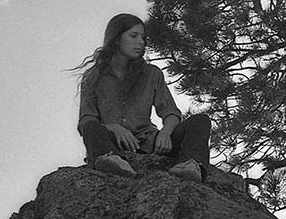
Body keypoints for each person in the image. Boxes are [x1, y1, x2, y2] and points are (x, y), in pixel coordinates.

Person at [74, 13, 210, 183]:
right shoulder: (93, 77)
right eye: (133, 36)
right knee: (92, 127)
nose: (141, 42)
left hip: (150, 142)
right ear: (116, 39)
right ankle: (110, 160)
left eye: (143, 37)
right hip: (113, 143)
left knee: (200, 121)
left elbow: (171, 112)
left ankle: (189, 166)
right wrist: (113, 128)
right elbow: (86, 121)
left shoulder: (151, 73)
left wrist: (165, 134)